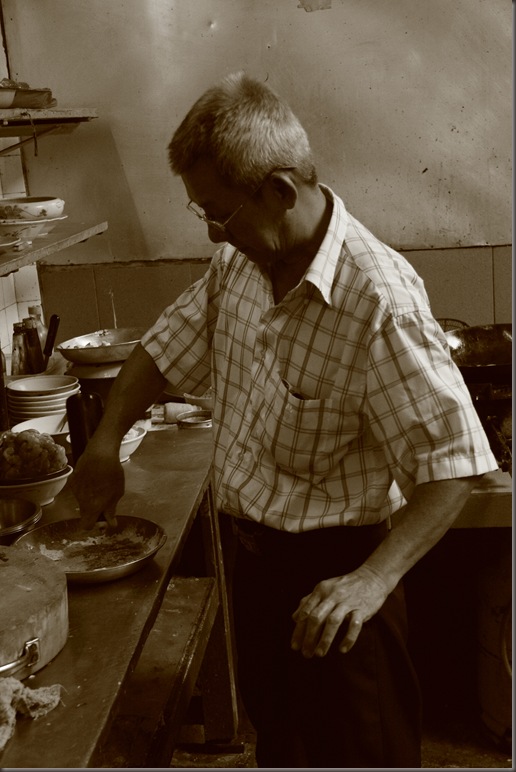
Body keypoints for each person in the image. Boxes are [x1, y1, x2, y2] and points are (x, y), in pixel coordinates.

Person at [69, 71, 499, 768]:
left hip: (341, 586)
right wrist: (104, 443)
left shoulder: (378, 300)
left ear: (278, 191)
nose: (213, 230)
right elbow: (163, 347)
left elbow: (454, 467)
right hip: (258, 572)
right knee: (284, 750)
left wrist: (371, 581)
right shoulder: (240, 263)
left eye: (220, 212)